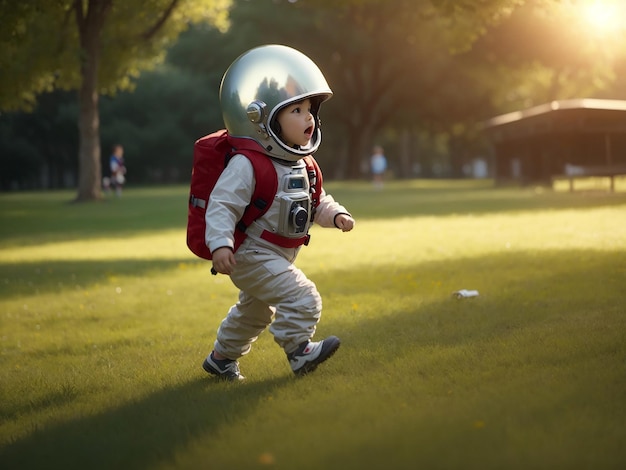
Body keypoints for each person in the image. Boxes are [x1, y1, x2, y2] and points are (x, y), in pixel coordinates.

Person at [202, 45, 355, 381]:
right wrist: (220, 244)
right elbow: (222, 205)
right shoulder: (247, 164)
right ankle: (299, 351)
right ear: (259, 118)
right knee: (303, 296)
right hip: (250, 254)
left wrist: (337, 215)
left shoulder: (302, 163)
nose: (309, 118)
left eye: (310, 110)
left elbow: (316, 201)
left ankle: (220, 358)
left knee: (254, 313)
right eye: (296, 110)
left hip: (276, 255)